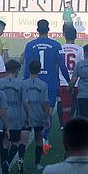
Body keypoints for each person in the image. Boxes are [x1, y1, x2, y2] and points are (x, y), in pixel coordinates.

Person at [21, 20, 70, 153]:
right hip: (50, 84)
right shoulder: (56, 45)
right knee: (48, 112)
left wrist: (25, 82)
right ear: (48, 29)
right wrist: (69, 81)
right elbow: (62, 66)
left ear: (37, 29)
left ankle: (28, 141)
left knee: (32, 112)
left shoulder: (30, 45)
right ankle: (44, 139)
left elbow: (27, 67)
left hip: (33, 84)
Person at [0, 60, 29, 174]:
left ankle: (3, 164)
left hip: (3, 115)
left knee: (5, 142)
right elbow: (25, 102)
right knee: (15, 142)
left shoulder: (0, 82)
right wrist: (28, 115)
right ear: (16, 70)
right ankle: (7, 162)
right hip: (16, 115)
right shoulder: (21, 83)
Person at [23, 60, 50, 169]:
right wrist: (47, 117)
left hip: (26, 114)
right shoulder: (43, 85)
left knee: (23, 140)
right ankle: (37, 163)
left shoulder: (23, 83)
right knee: (39, 139)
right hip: (39, 114)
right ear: (40, 70)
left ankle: (21, 161)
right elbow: (45, 102)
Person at [59, 26, 84, 127]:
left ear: (64, 35)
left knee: (65, 109)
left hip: (63, 82)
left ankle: (66, 128)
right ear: (76, 36)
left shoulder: (60, 48)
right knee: (78, 107)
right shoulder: (80, 49)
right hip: (77, 83)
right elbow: (82, 66)